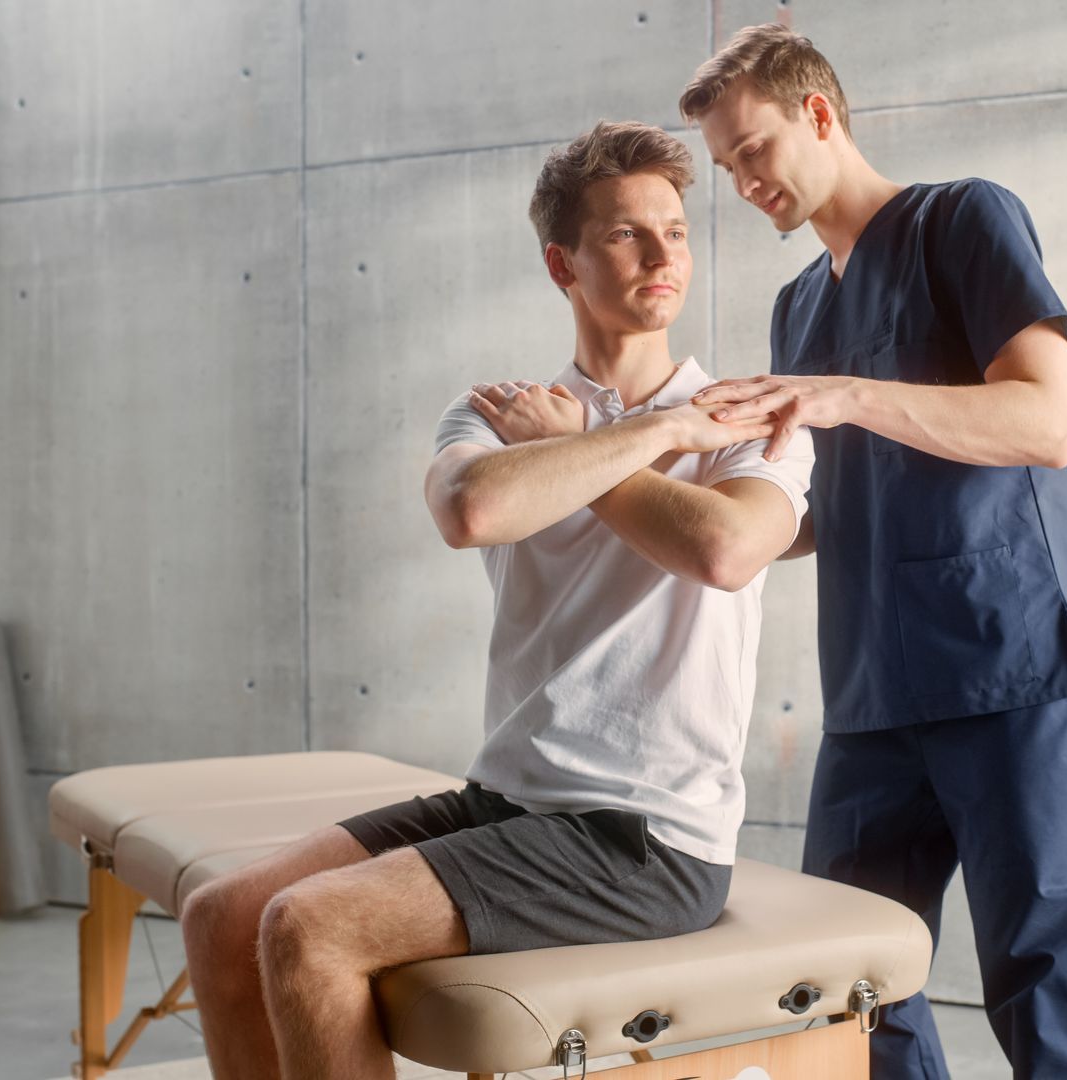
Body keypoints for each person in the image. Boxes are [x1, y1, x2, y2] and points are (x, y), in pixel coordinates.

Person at [177, 119, 813, 1080]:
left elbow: (725, 550)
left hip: (646, 837)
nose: (661, 255)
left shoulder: (741, 421)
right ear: (563, 264)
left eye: (675, 231)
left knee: (311, 928)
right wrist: (636, 435)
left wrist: (652, 429)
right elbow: (473, 508)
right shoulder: (494, 413)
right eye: (624, 235)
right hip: (510, 798)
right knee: (222, 916)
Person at [680, 25, 1067, 1080]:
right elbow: (828, 509)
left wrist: (840, 395)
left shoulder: (961, 221)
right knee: (847, 989)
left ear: (820, 115)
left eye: (753, 150)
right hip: (875, 696)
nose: (743, 182)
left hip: (1011, 671)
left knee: (1044, 988)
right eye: (725, 167)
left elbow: (1045, 421)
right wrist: (681, 505)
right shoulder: (801, 305)